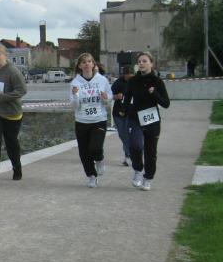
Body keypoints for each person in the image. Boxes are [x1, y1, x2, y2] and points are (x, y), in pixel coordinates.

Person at [119, 52, 170, 191]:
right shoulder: (133, 81)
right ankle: (138, 170)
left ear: (151, 63)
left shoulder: (157, 81)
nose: (141, 63)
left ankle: (148, 178)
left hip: (152, 120)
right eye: (139, 61)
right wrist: (123, 110)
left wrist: (154, 93)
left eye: (144, 61)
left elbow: (166, 103)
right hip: (135, 118)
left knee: (150, 151)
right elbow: (127, 97)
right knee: (135, 146)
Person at [69, 53, 111, 188]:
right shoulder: (75, 83)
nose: (87, 64)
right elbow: (74, 106)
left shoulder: (102, 80)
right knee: (84, 152)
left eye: (89, 61)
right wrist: (75, 95)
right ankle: (92, 176)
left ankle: (99, 159)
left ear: (93, 64)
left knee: (95, 147)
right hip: (82, 121)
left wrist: (106, 98)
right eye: (84, 62)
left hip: (99, 119)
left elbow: (109, 100)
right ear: (80, 66)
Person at [0, 43, 27, 184]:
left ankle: (17, 168)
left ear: (5, 56)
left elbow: (22, 90)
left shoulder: (12, 71)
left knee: (11, 144)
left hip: (11, 113)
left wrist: (3, 97)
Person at [111, 66, 133, 166]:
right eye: (127, 74)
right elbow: (109, 95)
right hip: (118, 113)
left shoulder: (136, 82)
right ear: (124, 74)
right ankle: (129, 155)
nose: (129, 76)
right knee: (122, 134)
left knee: (129, 135)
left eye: (131, 74)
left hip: (131, 112)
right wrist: (116, 96)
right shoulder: (118, 83)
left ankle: (129, 156)